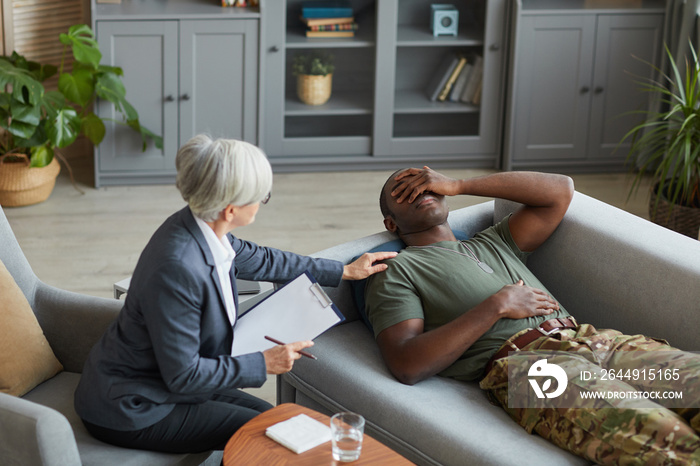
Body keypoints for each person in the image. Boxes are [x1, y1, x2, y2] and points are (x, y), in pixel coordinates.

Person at [74, 135, 396, 454]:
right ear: (230, 209)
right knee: (272, 440)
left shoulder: (202, 227)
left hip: (161, 384)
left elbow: (265, 260)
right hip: (134, 405)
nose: (263, 202)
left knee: (279, 421)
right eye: (261, 197)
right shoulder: (178, 269)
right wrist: (264, 363)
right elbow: (184, 376)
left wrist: (344, 271)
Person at [365, 166, 700, 465]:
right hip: (528, 368)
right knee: (669, 441)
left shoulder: (495, 241)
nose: (419, 191)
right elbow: (406, 363)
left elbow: (560, 190)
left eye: (423, 183)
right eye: (403, 191)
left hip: (593, 341)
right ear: (391, 223)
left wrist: (459, 183)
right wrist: (496, 305)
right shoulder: (396, 269)